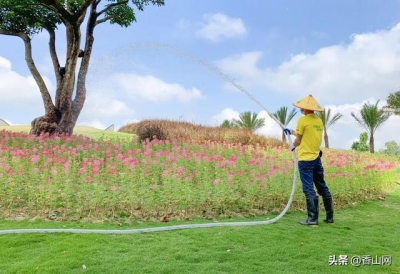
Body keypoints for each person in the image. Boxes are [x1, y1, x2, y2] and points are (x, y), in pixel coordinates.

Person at [283, 94, 334, 226]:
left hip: (305, 159)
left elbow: (299, 140)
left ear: (305, 109)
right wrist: (292, 132)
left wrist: (292, 146)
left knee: (308, 189)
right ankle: (330, 218)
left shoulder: (302, 120)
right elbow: (307, 134)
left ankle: (312, 220)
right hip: (317, 159)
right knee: (322, 186)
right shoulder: (318, 121)